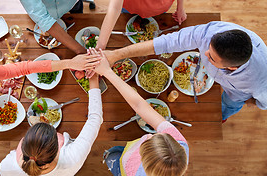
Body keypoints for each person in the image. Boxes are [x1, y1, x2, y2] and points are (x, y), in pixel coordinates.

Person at [103, 21, 267, 121]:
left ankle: (222, 116)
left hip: (237, 93)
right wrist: (117, 54)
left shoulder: (260, 81)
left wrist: (245, 100)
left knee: (228, 105)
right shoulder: (209, 33)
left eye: (211, 58)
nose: (204, 55)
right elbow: (165, 42)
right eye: (207, 49)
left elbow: (262, 103)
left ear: (231, 68)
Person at [89, 48, 188, 176]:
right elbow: (139, 105)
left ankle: (109, 157)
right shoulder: (179, 144)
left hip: (124, 168)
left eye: (149, 140)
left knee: (111, 157)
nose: (149, 135)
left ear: (144, 162)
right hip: (130, 152)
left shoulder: (133, 171)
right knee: (116, 151)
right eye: (156, 136)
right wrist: (107, 71)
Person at [0, 74, 103, 176]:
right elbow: (95, 119)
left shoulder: (7, 167)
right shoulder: (73, 157)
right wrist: (93, 78)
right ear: (56, 147)